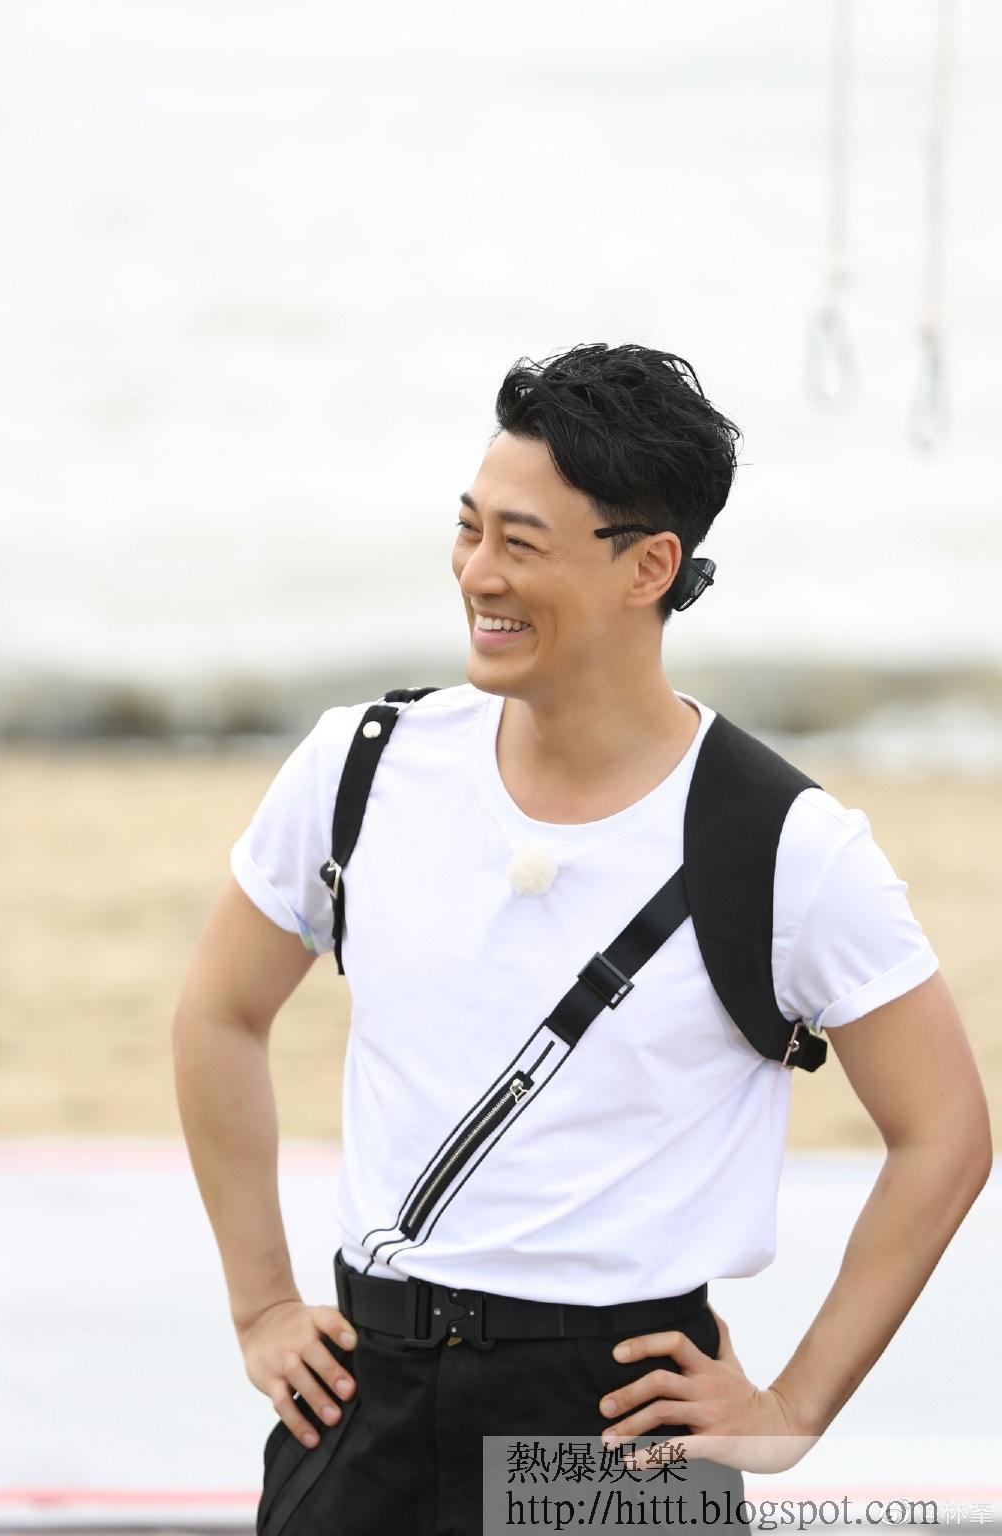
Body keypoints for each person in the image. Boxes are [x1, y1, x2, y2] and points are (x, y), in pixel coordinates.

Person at [172, 342, 992, 1536]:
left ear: (647, 566)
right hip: (364, 1399)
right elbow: (219, 1012)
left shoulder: (784, 842)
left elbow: (944, 1132)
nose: (478, 573)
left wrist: (792, 1409)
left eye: (521, 542)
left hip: (610, 1431)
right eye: (468, 529)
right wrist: (261, 1305)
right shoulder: (364, 766)